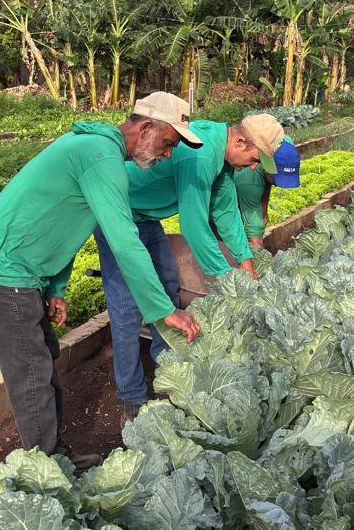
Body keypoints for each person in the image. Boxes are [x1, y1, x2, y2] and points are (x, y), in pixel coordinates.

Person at [0, 92, 203, 470]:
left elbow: (65, 222)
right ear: (145, 128)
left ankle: (54, 454)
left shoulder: (95, 149)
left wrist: (55, 288)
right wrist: (164, 310)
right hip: (3, 271)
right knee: (31, 375)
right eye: (168, 143)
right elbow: (125, 242)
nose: (168, 155)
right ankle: (46, 473)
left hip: (19, 269)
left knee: (42, 362)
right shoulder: (102, 159)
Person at [94, 113, 286, 427]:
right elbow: (194, 227)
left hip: (145, 217)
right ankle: (131, 396)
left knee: (168, 288)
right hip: (118, 214)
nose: (254, 168)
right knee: (128, 308)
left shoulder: (222, 155)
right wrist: (229, 281)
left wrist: (246, 264)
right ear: (240, 142)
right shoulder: (200, 156)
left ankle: (167, 369)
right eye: (254, 159)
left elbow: (226, 212)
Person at [234, 135, 302, 246]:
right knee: (232, 230)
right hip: (215, 191)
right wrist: (260, 253)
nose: (278, 185)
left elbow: (268, 179)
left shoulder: (285, 144)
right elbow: (254, 233)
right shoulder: (249, 179)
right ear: (266, 167)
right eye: (277, 179)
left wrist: (264, 209)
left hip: (258, 177)